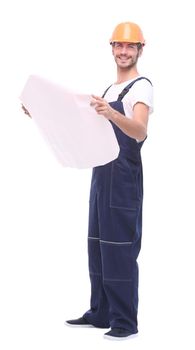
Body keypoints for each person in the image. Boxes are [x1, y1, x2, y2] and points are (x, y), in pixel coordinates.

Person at [65, 21, 153, 340]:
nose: (124, 51)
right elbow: (86, 128)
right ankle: (101, 312)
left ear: (140, 50)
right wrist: (42, 112)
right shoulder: (109, 90)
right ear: (112, 48)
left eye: (130, 46)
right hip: (101, 175)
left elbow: (140, 131)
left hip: (124, 178)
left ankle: (125, 322)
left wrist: (112, 114)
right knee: (98, 246)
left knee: (119, 248)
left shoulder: (141, 87)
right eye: (119, 45)